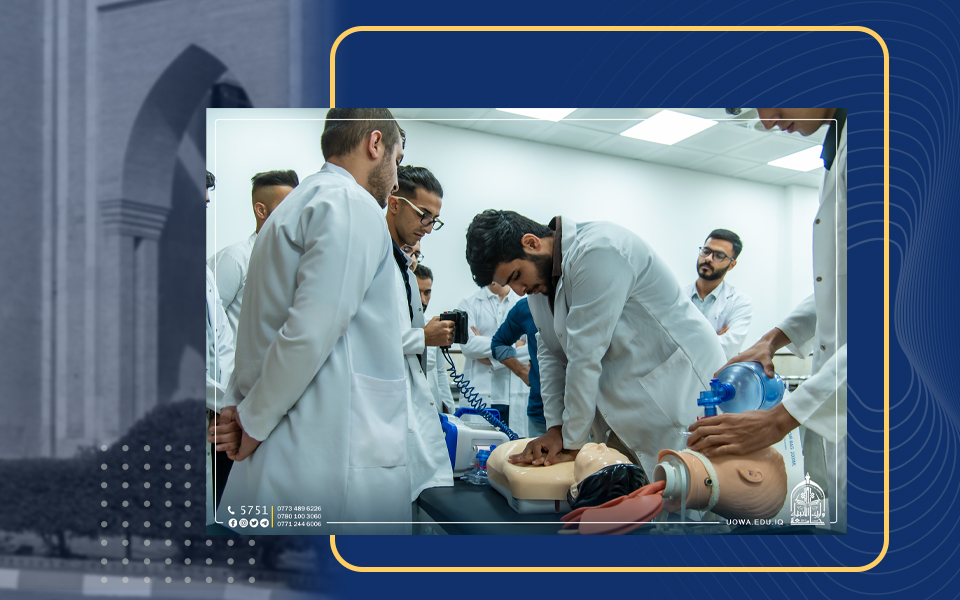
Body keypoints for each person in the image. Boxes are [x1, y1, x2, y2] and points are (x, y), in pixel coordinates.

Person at [216, 108, 410, 534]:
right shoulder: (350, 203)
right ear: (375, 143)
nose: (396, 181)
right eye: (397, 161)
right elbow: (311, 329)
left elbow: (258, 328)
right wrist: (251, 421)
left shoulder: (294, 207)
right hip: (324, 452)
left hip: (285, 439)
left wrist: (241, 406)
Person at [465, 211, 726, 478]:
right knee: (639, 492)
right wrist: (556, 429)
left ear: (532, 243)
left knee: (692, 489)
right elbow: (551, 354)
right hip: (629, 408)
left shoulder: (600, 250)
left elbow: (583, 357)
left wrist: (572, 443)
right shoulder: (541, 284)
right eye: (509, 283)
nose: (519, 291)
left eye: (516, 275)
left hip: (679, 392)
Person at [688, 107, 847, 532]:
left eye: (771, 97)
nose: (767, 119)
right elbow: (840, 286)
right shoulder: (837, 147)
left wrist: (780, 419)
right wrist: (772, 340)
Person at [383, 165, 454, 510]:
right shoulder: (373, 259)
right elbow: (359, 338)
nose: (427, 227)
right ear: (394, 203)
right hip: (379, 410)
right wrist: (422, 337)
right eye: (424, 215)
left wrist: (424, 337)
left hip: (406, 404)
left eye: (434, 220)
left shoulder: (406, 272)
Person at [207, 170, 299, 338]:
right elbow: (206, 321)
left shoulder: (300, 263)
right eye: (287, 207)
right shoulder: (235, 259)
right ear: (261, 210)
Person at [203, 171, 239, 527]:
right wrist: (228, 405)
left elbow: (222, 343)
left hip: (217, 413)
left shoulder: (204, 271)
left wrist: (226, 404)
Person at [457, 281, 525, 428]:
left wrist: (483, 346)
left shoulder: (524, 303)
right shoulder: (468, 304)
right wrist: (515, 345)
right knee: (480, 441)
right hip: (478, 394)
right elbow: (469, 346)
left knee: (515, 442)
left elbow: (530, 349)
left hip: (515, 396)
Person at [683, 229, 753, 360]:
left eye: (719, 256)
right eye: (706, 251)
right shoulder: (679, 296)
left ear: (732, 265)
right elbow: (663, 342)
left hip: (714, 373)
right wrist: (715, 338)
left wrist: (683, 341)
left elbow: (728, 350)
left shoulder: (740, 302)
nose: (708, 258)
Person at [491, 298, 545, 438]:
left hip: (582, 410)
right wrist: (521, 371)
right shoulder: (526, 307)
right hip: (540, 413)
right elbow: (498, 343)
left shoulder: (580, 300)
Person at [414, 264, 456, 413]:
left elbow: (440, 372)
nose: (423, 300)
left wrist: (449, 408)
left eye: (427, 292)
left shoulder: (434, 328)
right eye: (417, 292)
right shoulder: (399, 330)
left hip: (432, 409)